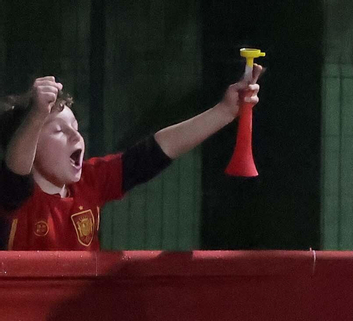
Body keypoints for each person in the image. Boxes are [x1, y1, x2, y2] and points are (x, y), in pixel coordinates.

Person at [0, 64, 262, 249]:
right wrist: (36, 114)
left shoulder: (90, 182)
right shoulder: (14, 197)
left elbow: (155, 152)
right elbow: (15, 174)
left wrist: (225, 112)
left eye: (76, 128)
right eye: (58, 130)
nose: (75, 137)